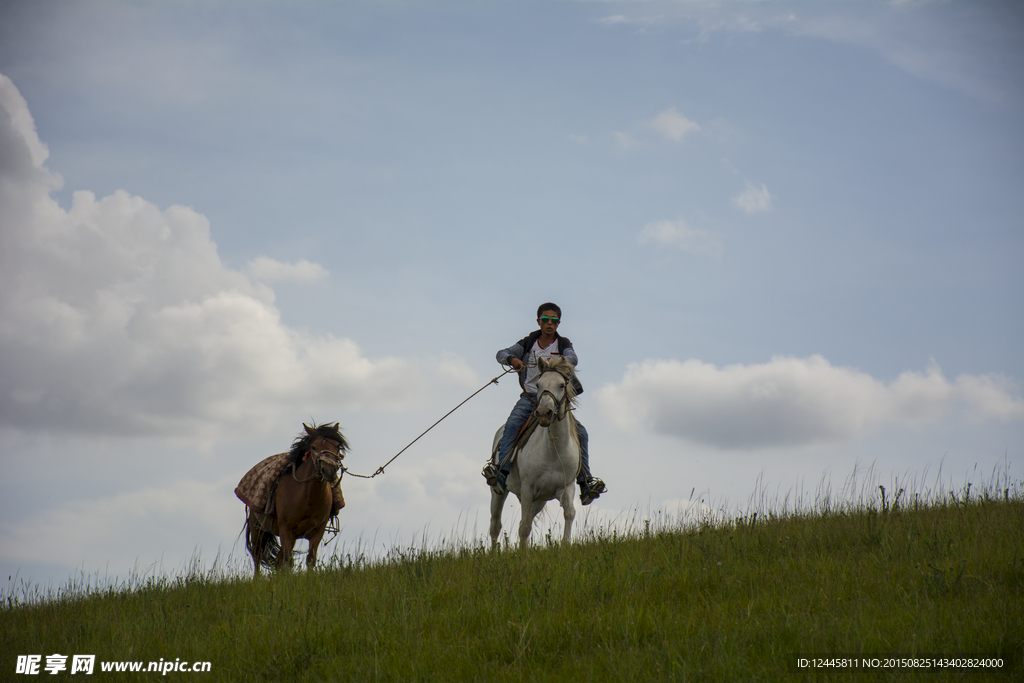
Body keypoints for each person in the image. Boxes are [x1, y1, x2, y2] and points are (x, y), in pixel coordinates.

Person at [482, 303, 606, 505]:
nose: (550, 323)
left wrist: (562, 362)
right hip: (531, 397)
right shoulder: (528, 342)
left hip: (555, 401)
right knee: (513, 424)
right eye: (546, 319)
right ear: (538, 321)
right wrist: (512, 359)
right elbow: (501, 353)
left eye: (554, 320)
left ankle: (585, 481)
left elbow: (572, 358)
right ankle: (501, 470)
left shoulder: (563, 344)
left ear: (559, 323)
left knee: (581, 433)